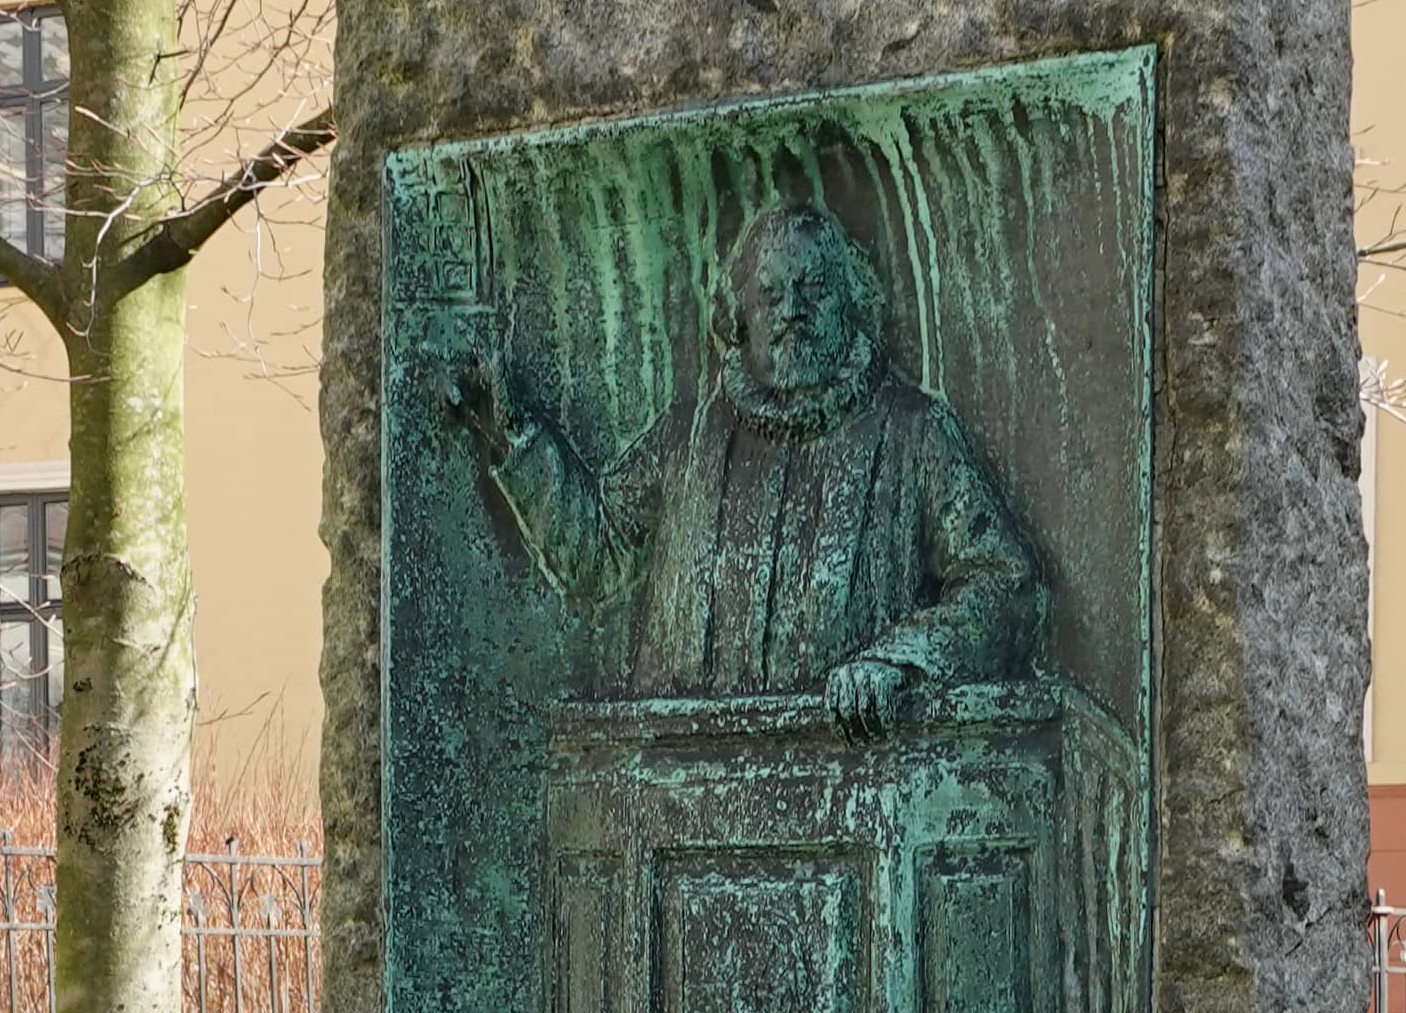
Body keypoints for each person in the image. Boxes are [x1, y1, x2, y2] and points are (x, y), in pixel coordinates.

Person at [441, 195, 1041, 732]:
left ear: (853, 301)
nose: (792, 311)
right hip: (681, 793)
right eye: (771, 293)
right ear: (740, 315)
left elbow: (1005, 582)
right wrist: (517, 436)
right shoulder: (685, 438)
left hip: (851, 787)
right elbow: (597, 557)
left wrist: (903, 660)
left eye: (814, 288)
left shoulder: (917, 435)